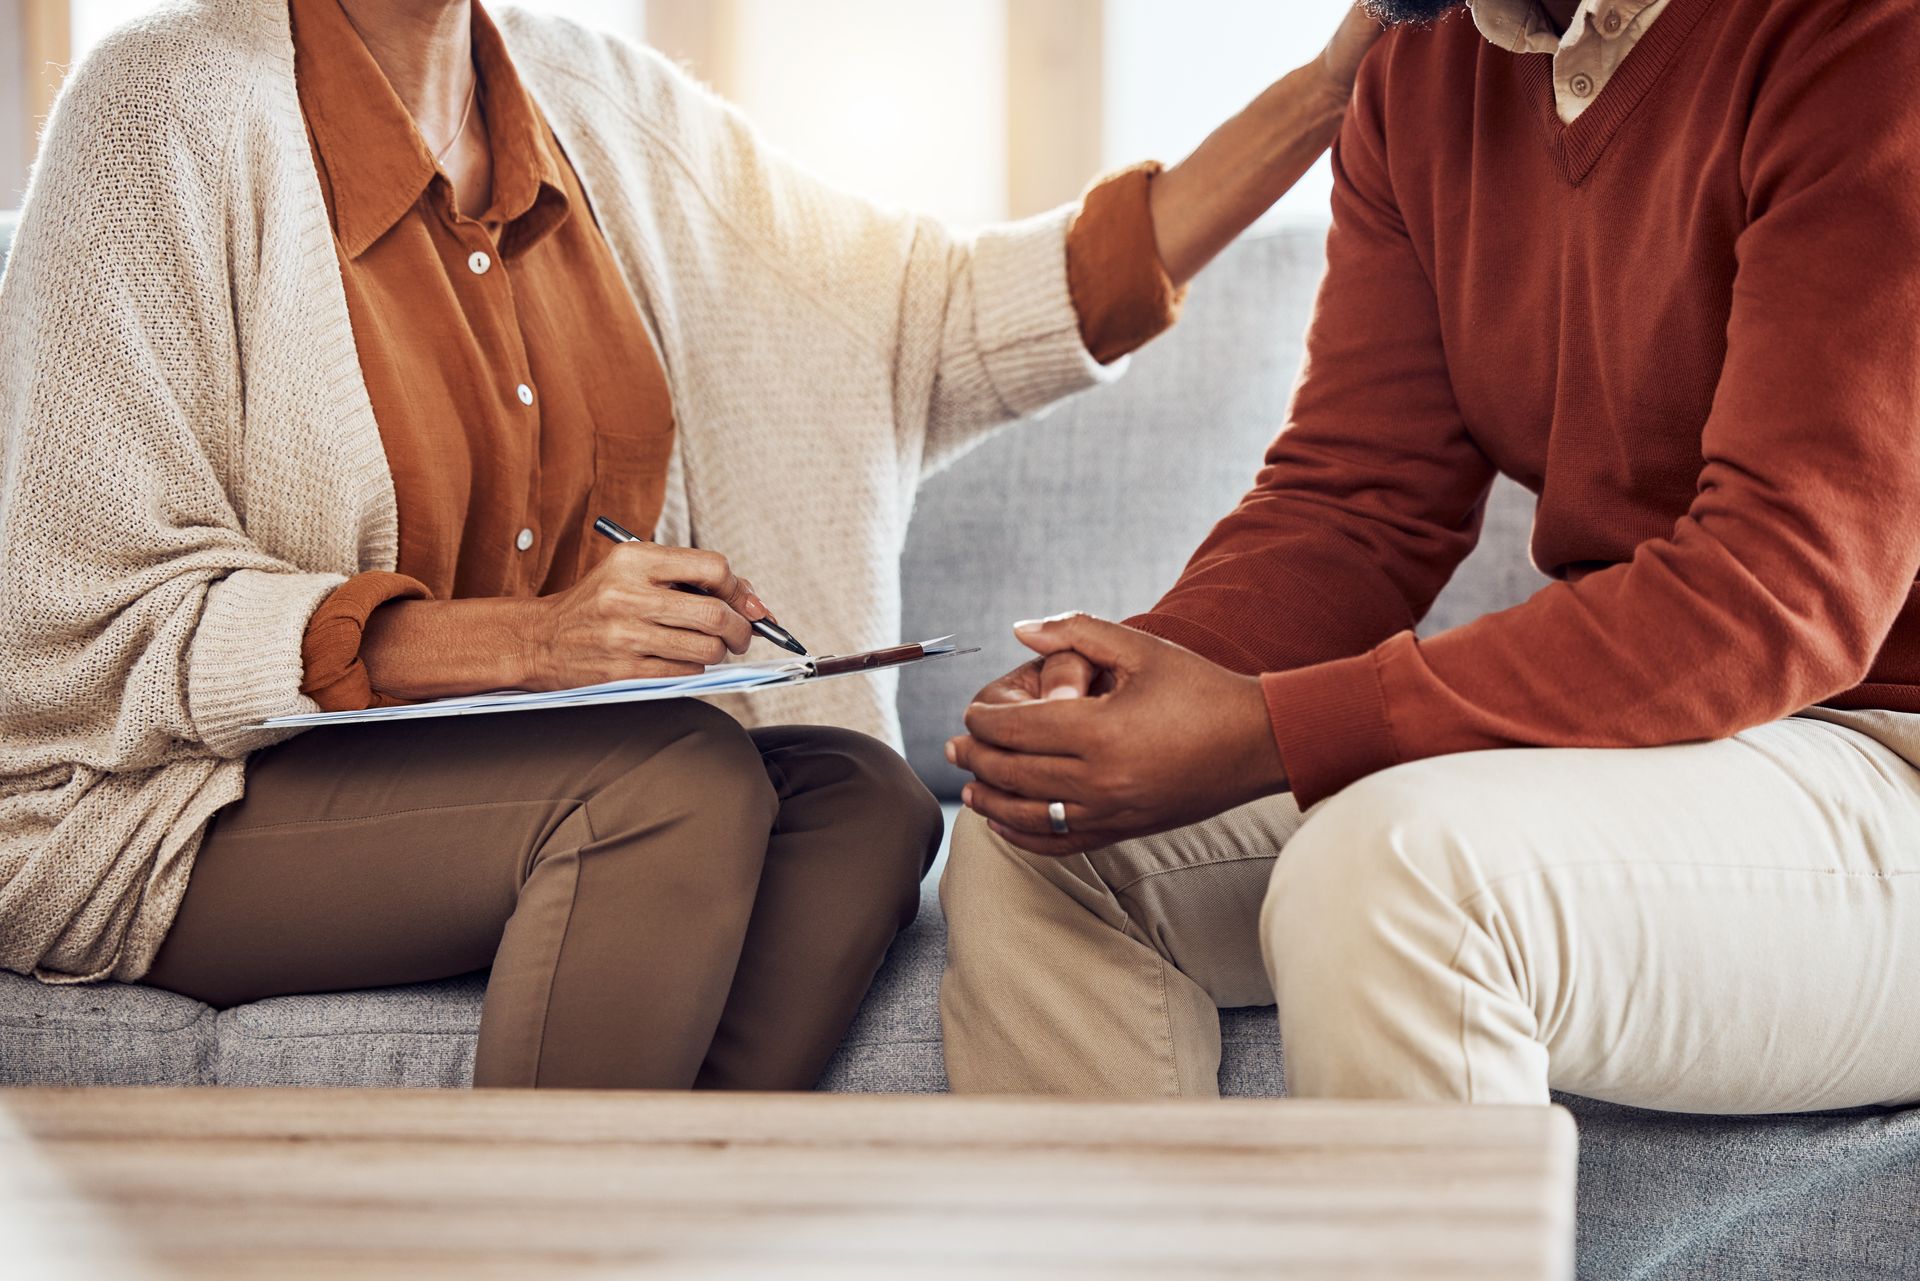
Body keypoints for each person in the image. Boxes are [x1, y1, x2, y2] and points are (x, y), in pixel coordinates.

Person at [0, 0, 1380, 1090]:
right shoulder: (160, 107)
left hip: (503, 785)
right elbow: (87, 612)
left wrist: (1326, 91)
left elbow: (936, 318)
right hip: (165, 802)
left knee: (861, 802)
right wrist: (540, 640)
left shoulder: (594, 109)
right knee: (671, 785)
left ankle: (641, 1235)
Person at [942, 0, 1920, 1112]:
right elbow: (1359, 501)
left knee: (1388, 874)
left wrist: (1268, 729)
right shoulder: (1428, 61)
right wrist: (1129, 683)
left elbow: (1777, 592)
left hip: (1890, 753)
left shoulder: (1868, 37)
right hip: (1660, 742)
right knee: (1041, 834)